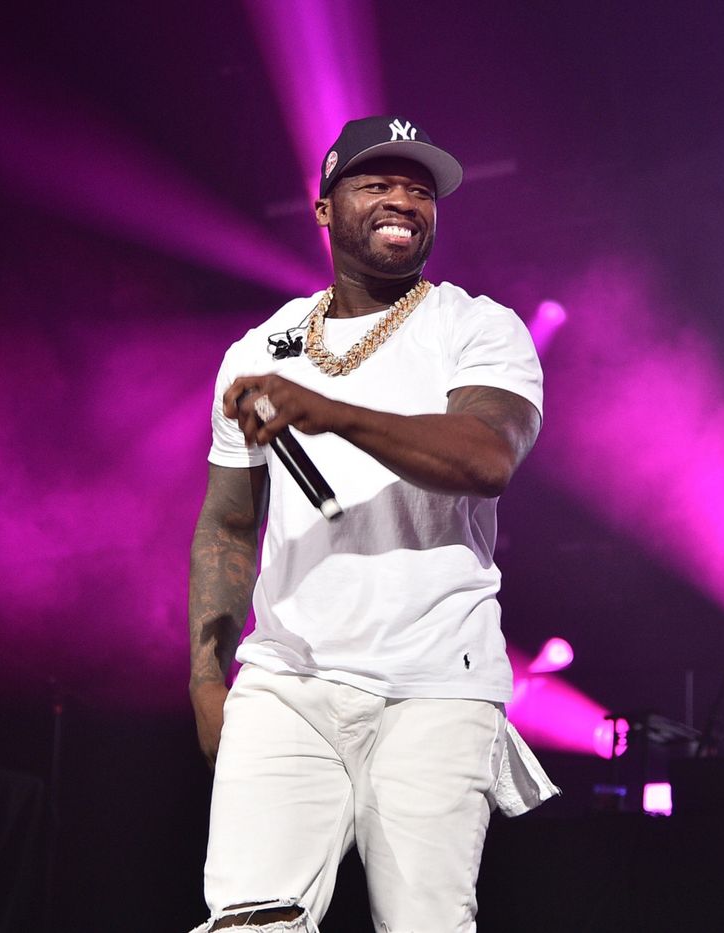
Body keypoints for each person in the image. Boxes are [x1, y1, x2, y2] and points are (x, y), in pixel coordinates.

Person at [188, 115, 559, 933]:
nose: (404, 201)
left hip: (435, 681)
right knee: (247, 922)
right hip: (288, 679)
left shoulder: (477, 327)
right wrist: (206, 675)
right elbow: (226, 521)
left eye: (420, 190)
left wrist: (325, 410)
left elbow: (485, 458)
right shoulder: (260, 348)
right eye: (378, 183)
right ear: (324, 209)